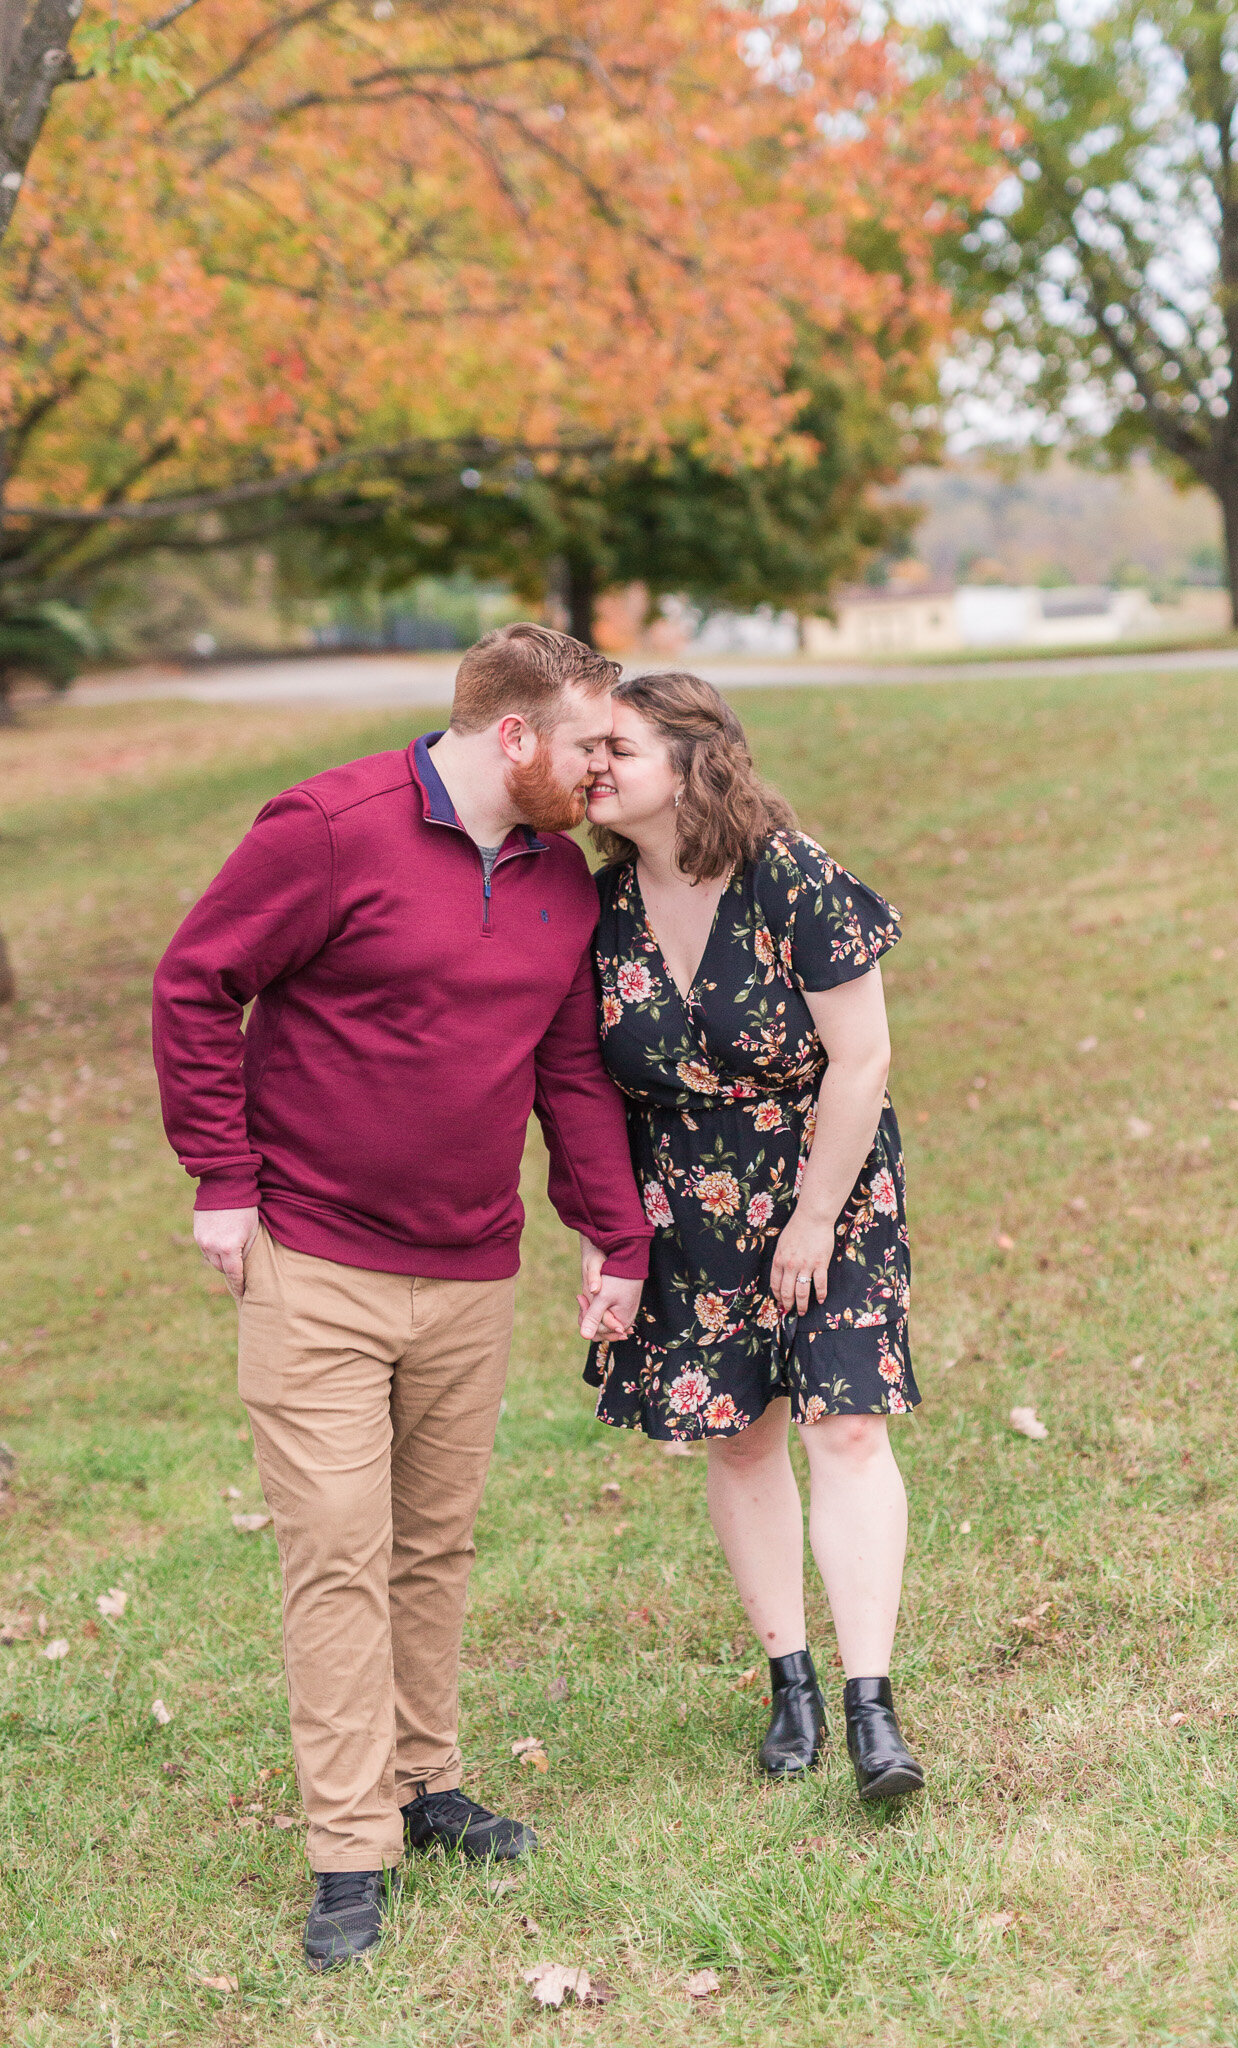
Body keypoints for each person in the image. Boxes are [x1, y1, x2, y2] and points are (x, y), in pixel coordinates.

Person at [152, 624, 650, 1971]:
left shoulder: (561, 879)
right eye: (588, 746)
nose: (604, 773)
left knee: (431, 1548)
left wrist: (617, 1237)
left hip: (471, 1268)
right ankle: (347, 1848)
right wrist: (221, 1176)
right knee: (335, 1551)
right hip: (315, 1263)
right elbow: (198, 981)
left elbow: (570, 1072)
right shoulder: (331, 830)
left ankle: (425, 1784)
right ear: (514, 739)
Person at [583, 670, 923, 1800]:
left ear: (691, 759)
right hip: (684, 1200)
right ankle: (793, 1680)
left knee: (849, 1430)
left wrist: (816, 1216)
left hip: (828, 1182)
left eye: (617, 747)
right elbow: (586, 1085)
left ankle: (874, 1703)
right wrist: (609, 1234)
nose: (594, 765)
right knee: (739, 1436)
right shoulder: (602, 903)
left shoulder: (791, 874)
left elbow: (863, 1057)